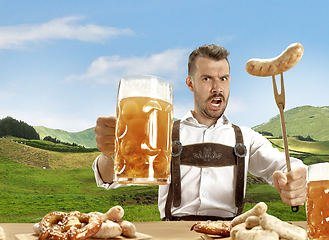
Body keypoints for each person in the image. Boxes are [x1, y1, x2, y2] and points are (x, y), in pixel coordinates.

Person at [92, 44, 307, 221]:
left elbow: (283, 165)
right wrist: (110, 153)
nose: (217, 88)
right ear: (190, 83)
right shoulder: (163, 133)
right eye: (207, 79)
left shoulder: (245, 138)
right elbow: (109, 178)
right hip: (172, 234)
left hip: (229, 234)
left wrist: (297, 177)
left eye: (223, 78)